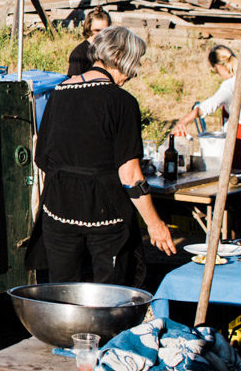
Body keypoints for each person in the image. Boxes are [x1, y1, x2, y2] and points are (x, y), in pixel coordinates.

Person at [35, 25, 176, 285]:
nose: (133, 73)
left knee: (63, 295)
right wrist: (154, 224)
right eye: (135, 63)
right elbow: (130, 174)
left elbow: (42, 158)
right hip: (106, 215)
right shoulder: (121, 102)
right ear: (120, 57)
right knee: (110, 298)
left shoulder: (58, 95)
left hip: (58, 210)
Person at [175, 44, 239, 137]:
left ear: (217, 67)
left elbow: (208, 106)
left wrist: (183, 121)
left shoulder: (229, 85)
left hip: (238, 138)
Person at [66, 8, 111, 76]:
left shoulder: (109, 51)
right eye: (97, 30)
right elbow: (73, 82)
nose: (101, 34)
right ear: (88, 28)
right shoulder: (79, 54)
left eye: (105, 31)